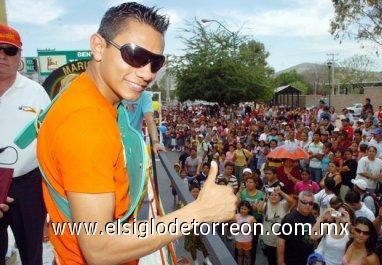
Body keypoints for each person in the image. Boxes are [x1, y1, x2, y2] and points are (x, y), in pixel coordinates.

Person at [35, 3, 237, 264]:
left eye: (156, 62)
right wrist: (199, 212)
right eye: (134, 55)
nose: (147, 73)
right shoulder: (87, 124)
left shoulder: (86, 94)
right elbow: (100, 249)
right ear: (98, 46)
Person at [0, 23, 50, 265]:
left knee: (32, 255)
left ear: (19, 55)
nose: (2, 56)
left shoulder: (36, 93)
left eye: (9, 50)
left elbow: (51, 144)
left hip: (28, 185)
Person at [277, 191, 316, 265]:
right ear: (298, 202)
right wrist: (281, 262)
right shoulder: (289, 218)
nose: (307, 205)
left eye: (310, 203)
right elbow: (281, 241)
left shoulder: (311, 217)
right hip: (292, 260)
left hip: (307, 259)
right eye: (304, 202)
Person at [258, 186, 295, 265]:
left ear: (280, 197)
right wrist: (264, 198)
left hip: (281, 240)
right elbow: (259, 209)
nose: (273, 196)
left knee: (281, 261)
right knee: (271, 261)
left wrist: (281, 192)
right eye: (271, 195)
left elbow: (292, 201)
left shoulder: (283, 205)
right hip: (268, 240)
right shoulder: (266, 205)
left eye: (276, 195)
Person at [233, 201, 256, 265]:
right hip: (238, 239)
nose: (243, 210)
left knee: (247, 255)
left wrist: (244, 229)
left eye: (245, 209)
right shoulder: (236, 216)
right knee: (239, 255)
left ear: (248, 209)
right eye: (241, 208)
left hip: (247, 240)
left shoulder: (251, 218)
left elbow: (252, 230)